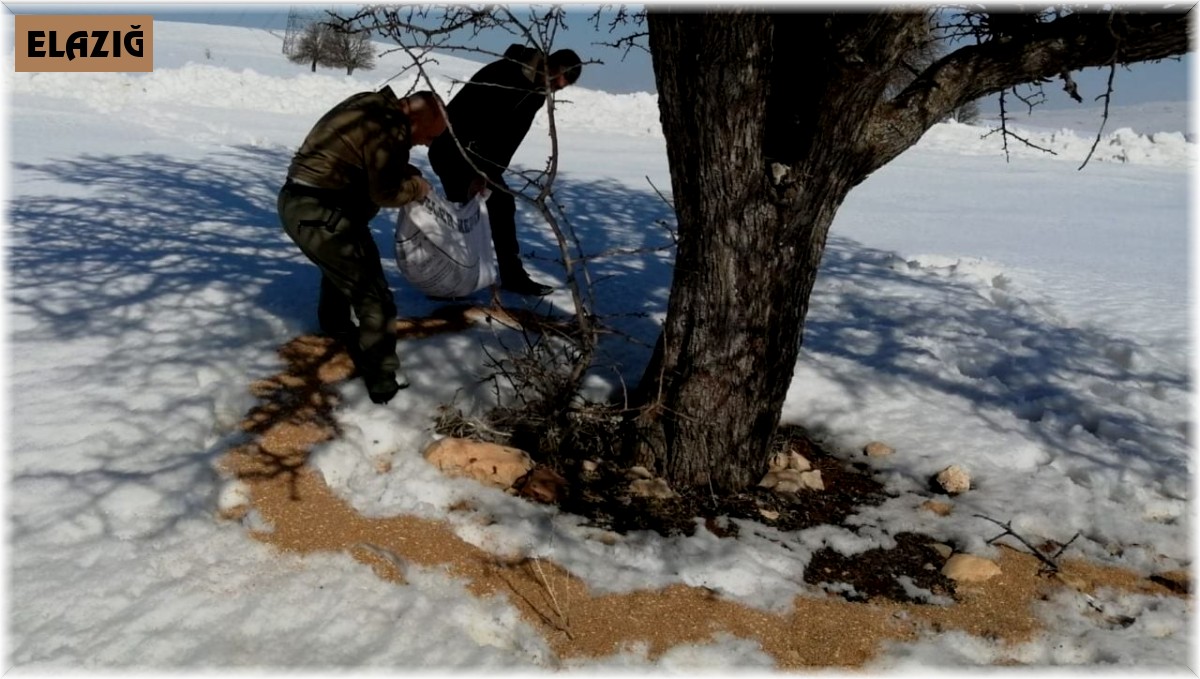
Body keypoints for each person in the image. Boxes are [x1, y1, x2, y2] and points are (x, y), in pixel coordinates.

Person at [278, 88, 447, 405]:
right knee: (374, 297)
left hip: (304, 204)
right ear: (415, 118)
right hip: (320, 212)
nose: (427, 144)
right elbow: (385, 193)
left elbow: (365, 158)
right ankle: (383, 382)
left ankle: (335, 325)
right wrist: (417, 187)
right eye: (429, 135)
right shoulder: (389, 127)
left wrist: (403, 170)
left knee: (343, 266)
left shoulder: (372, 104)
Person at [428, 44, 583, 297]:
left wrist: (489, 172)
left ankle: (511, 276)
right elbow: (468, 120)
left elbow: (509, 139)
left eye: (558, 89)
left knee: (501, 205)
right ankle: (445, 281)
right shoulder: (504, 74)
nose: (552, 89)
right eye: (553, 82)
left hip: (480, 159)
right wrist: (477, 173)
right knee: (463, 212)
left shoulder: (536, 92)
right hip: (452, 149)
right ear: (548, 65)